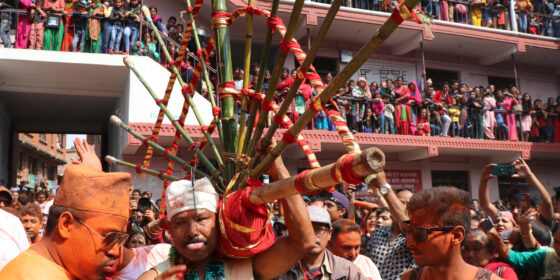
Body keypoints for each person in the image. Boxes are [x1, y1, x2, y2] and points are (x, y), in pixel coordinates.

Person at [138, 143, 315, 279]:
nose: (192, 232)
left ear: (218, 221)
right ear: (170, 228)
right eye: (180, 223)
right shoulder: (157, 275)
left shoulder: (244, 267)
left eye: (201, 219)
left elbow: (303, 243)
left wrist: (280, 171)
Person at [0, 164, 131, 279]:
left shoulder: (70, 270)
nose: (116, 252)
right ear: (66, 225)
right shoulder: (27, 276)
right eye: (108, 237)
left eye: (120, 240)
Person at [401, 187, 502, 280]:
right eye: (408, 231)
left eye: (421, 233)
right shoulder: (410, 277)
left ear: (456, 236)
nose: (410, 243)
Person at [274, 206, 365, 280]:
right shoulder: (278, 269)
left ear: (329, 233)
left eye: (319, 230)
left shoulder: (347, 271)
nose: (312, 236)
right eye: (307, 229)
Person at [366, 171, 413, 280]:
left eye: (409, 204)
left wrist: (383, 183)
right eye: (400, 202)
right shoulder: (378, 232)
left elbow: (404, 222)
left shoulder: (415, 234)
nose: (404, 207)